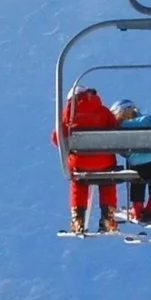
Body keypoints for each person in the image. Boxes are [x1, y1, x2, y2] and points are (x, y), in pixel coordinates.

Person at [52, 86, 120, 233]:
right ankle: (108, 217)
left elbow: (56, 138)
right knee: (108, 181)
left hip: (80, 162)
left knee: (78, 182)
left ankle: (78, 219)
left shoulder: (68, 114)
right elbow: (116, 133)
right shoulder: (103, 111)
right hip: (104, 162)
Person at [111, 99, 151, 224]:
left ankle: (137, 209)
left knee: (135, 176)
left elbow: (119, 148)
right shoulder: (149, 119)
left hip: (137, 163)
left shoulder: (120, 127)